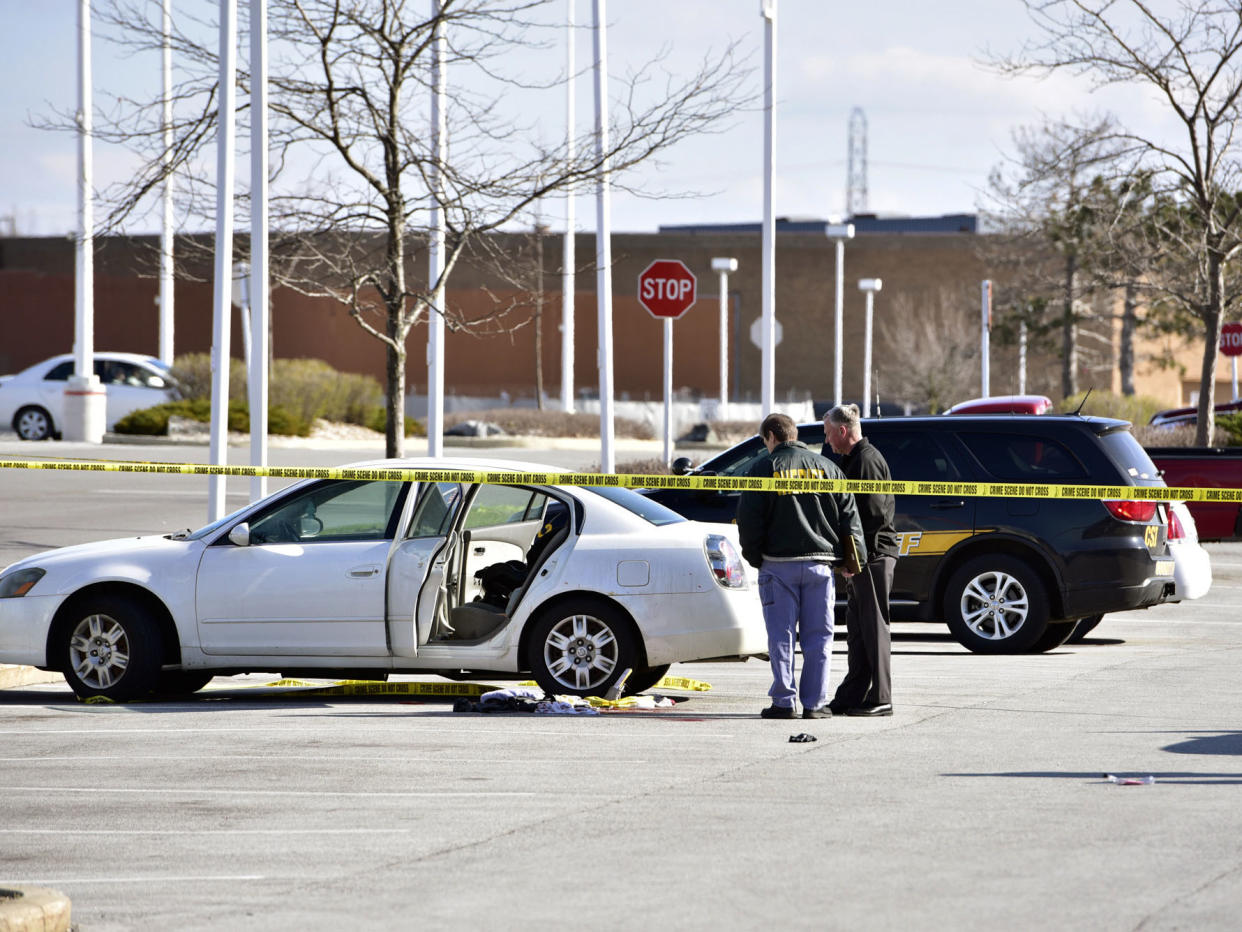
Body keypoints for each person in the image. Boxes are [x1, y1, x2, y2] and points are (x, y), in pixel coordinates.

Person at [737, 413, 866, 720]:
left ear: (771, 436)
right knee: (819, 637)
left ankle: (784, 702)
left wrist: (755, 557)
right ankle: (815, 703)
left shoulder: (763, 468)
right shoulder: (829, 468)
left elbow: (749, 521)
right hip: (821, 567)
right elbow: (850, 518)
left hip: (777, 566)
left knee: (781, 637)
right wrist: (852, 559)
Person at [823, 403, 899, 717]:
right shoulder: (854, 460)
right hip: (862, 559)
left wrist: (854, 561)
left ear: (843, 430)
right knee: (858, 631)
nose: (827, 441)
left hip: (872, 557)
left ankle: (881, 697)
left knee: (874, 628)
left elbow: (872, 516)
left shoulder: (866, 461)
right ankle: (852, 694)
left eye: (828, 433)